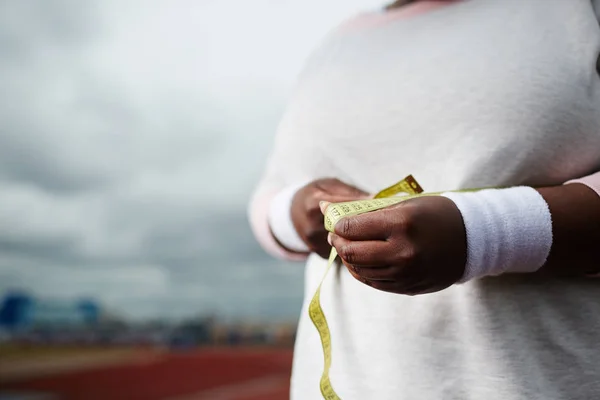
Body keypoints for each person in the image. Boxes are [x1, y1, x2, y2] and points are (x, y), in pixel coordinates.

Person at [248, 0, 600, 398]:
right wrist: (294, 214)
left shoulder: (577, 11)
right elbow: (269, 194)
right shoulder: (334, 44)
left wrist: (481, 234)